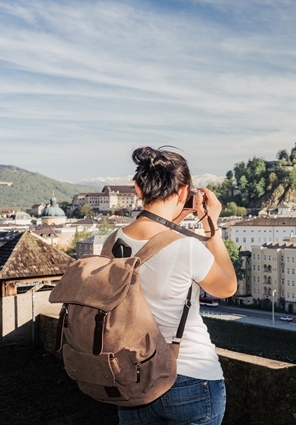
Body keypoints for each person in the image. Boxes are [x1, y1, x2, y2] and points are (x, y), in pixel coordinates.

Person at [115, 146, 237, 425]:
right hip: (191, 376)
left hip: (134, 378)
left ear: (137, 188)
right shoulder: (187, 247)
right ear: (184, 192)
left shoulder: (112, 242)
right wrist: (210, 225)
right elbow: (227, 287)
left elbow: (153, 240)